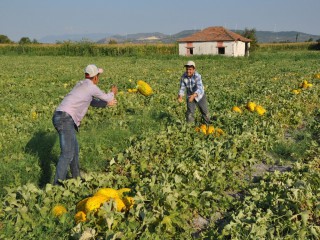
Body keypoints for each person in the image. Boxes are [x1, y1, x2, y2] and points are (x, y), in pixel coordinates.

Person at [52, 64, 117, 185]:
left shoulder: (80, 84)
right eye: (98, 75)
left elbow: (91, 101)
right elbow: (107, 97)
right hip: (65, 119)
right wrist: (113, 93)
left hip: (61, 116)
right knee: (67, 154)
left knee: (74, 149)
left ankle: (76, 178)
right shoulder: (92, 87)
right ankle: (57, 186)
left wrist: (105, 105)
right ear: (95, 77)